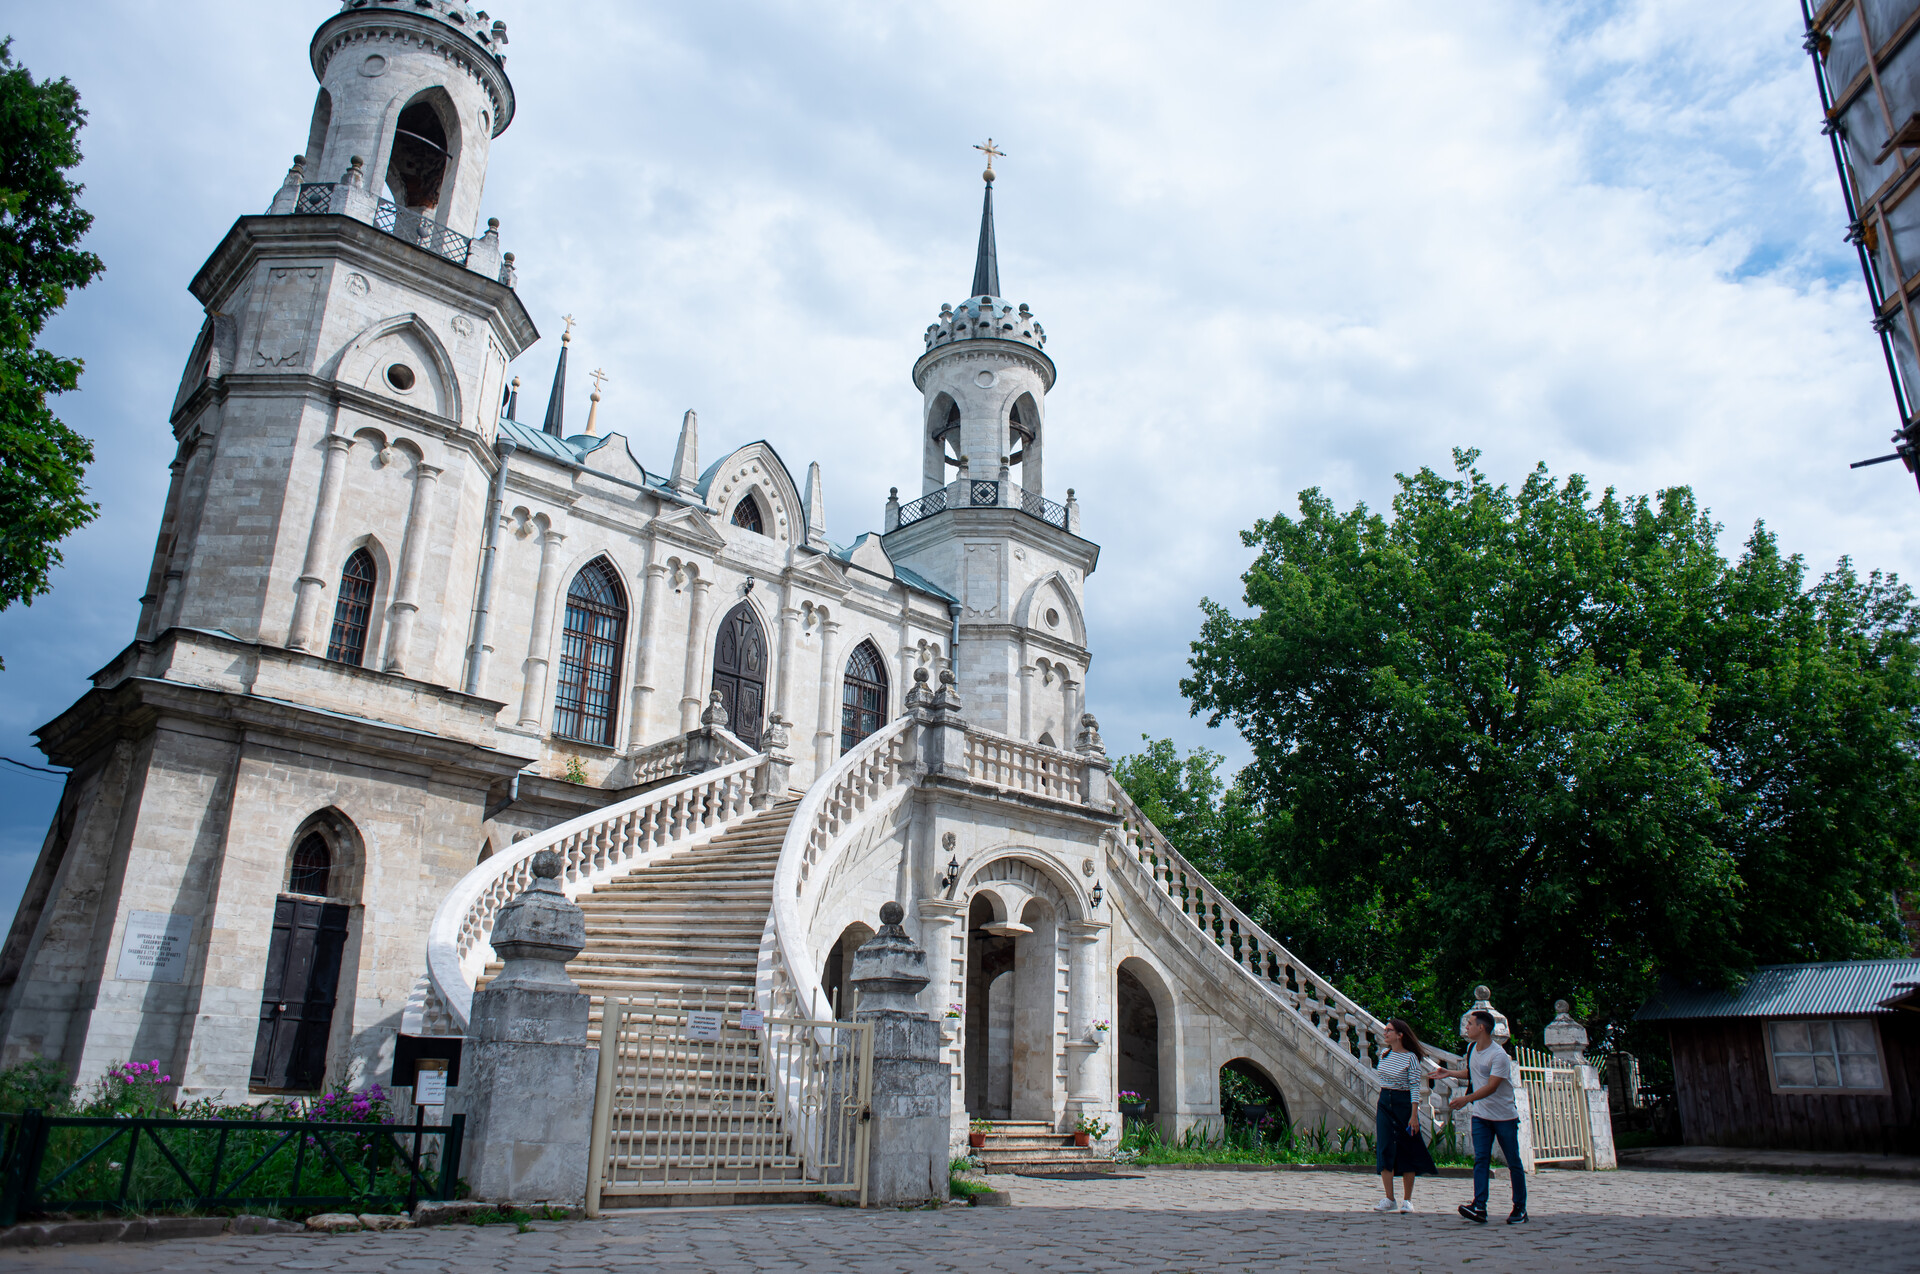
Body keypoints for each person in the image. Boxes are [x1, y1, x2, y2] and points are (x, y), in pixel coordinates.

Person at [1435, 1008, 1526, 1224]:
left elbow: (1492, 1086)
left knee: (1513, 1161)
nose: (1466, 1027)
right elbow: (1473, 1073)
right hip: (1481, 1116)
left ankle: (1520, 1207)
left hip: (1504, 1117)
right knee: (1481, 1160)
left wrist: (1465, 1100)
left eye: (1470, 1024)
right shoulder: (1472, 1048)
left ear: (1482, 1027)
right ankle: (1479, 1206)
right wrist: (1449, 1073)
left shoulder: (1499, 1056)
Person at [1369, 1017, 1437, 1213]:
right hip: (1384, 1101)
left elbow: (1415, 1087)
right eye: (1385, 1030)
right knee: (1385, 1147)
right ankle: (1389, 1198)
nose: (1385, 1033)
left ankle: (1407, 1199)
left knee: (1407, 1147)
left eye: (1389, 1030)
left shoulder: (1411, 1058)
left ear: (1400, 1034)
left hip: (1403, 1103)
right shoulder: (1384, 1054)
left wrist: (1414, 1115)